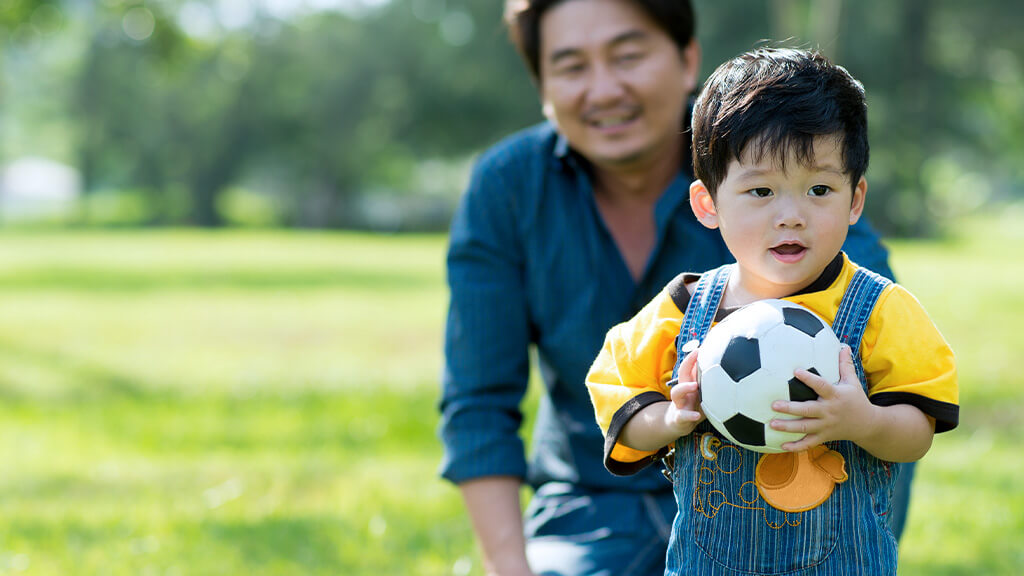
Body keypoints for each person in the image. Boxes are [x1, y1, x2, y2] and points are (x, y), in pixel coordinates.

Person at [439, 2, 902, 574]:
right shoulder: (507, 187)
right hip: (590, 509)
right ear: (542, 86)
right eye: (571, 66)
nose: (604, 89)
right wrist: (511, 567)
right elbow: (478, 402)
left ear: (688, 60)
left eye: (628, 55)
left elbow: (878, 368)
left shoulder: (784, 163)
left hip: (773, 508)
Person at [586, 48, 959, 575]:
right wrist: (671, 418)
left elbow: (917, 428)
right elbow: (619, 406)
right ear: (708, 204)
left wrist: (863, 420)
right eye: (761, 190)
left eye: (819, 189)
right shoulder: (685, 308)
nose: (791, 216)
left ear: (855, 200)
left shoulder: (880, 309)